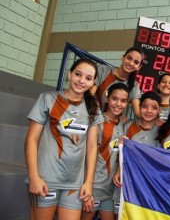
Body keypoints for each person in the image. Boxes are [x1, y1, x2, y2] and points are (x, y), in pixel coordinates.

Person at [24, 59, 104, 220]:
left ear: (93, 82)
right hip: (46, 179)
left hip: (74, 184)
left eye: (88, 78)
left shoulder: (93, 107)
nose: (82, 81)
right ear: (69, 74)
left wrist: (88, 182)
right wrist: (34, 176)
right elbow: (31, 140)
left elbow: (92, 148)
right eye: (78, 74)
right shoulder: (47, 98)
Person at [81, 83, 130, 220]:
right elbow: (86, 154)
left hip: (110, 190)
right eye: (114, 99)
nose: (118, 104)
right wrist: (87, 185)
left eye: (123, 101)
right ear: (107, 99)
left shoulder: (124, 125)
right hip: (93, 186)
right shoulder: (96, 121)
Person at [112, 91, 162, 216]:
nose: (149, 111)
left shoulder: (162, 131)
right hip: (126, 180)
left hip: (148, 184)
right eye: (145, 106)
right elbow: (122, 151)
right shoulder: (128, 125)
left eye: (154, 107)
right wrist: (119, 170)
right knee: (119, 214)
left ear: (159, 110)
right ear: (139, 107)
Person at [92, 47, 145, 119]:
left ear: (139, 67)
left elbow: (138, 112)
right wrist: (98, 115)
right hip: (91, 115)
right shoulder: (103, 70)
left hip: (108, 122)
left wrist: (155, 120)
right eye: (129, 58)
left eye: (136, 62)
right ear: (122, 58)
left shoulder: (134, 85)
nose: (131, 63)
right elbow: (90, 94)